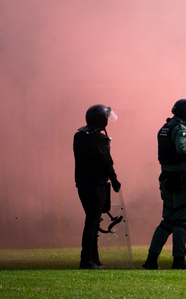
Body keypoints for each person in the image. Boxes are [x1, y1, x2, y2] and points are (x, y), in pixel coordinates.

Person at [143, 99, 186, 270]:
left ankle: (151, 260)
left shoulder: (165, 128)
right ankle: (179, 261)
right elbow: (183, 149)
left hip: (167, 179)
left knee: (167, 221)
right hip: (181, 181)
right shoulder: (180, 130)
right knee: (182, 221)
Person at [73, 104, 121, 270]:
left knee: (92, 222)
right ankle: (86, 260)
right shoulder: (99, 139)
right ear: (100, 119)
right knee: (92, 223)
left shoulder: (79, 136)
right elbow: (107, 162)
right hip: (97, 185)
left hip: (82, 184)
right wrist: (114, 180)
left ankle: (94, 259)